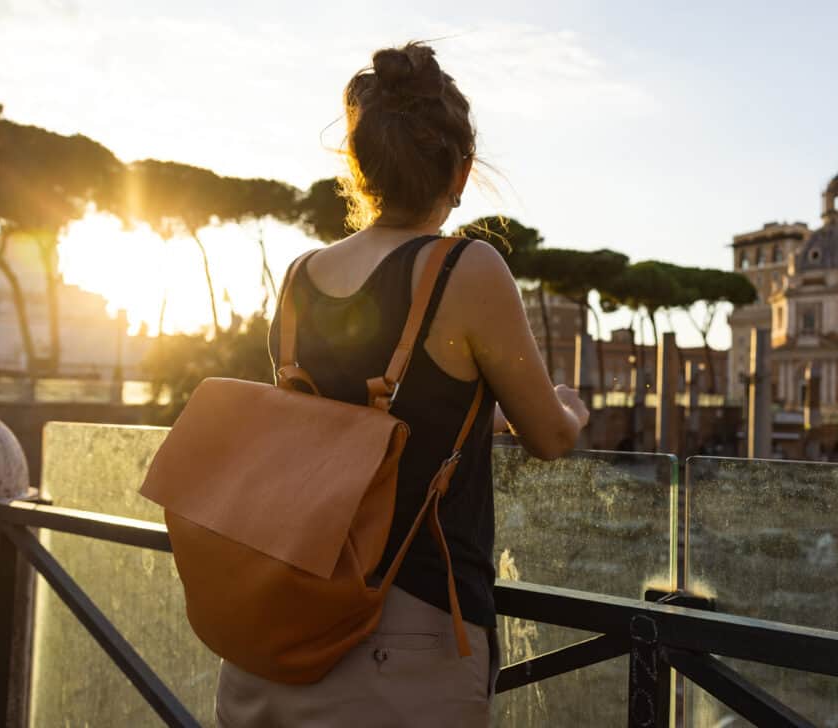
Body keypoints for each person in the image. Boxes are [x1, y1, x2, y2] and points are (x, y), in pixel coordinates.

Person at [215, 42, 590, 727]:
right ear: (463, 170)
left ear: (358, 170)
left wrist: (484, 419)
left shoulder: (298, 278)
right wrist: (569, 407)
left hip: (283, 622)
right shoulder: (466, 269)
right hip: (408, 634)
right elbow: (550, 437)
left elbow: (340, 427)